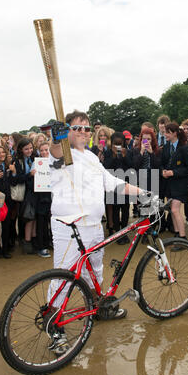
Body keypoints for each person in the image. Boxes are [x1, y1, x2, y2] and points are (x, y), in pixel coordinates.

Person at [47, 110, 146, 323]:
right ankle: (53, 325)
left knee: (95, 270)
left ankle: (98, 307)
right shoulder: (65, 152)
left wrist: (144, 193)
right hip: (69, 227)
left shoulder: (91, 156)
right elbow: (56, 152)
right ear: (68, 132)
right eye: (77, 128)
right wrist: (57, 138)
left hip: (93, 225)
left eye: (87, 128)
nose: (83, 132)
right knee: (63, 277)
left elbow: (112, 183)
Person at [160, 122, 188, 240]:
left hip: (181, 184)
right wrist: (163, 171)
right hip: (169, 184)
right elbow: (162, 163)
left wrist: (174, 172)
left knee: (175, 210)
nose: (165, 135)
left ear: (175, 133)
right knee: (172, 210)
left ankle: (183, 237)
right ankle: (177, 234)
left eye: (167, 132)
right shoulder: (165, 147)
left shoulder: (184, 148)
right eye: (164, 132)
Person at [103, 132, 132, 244]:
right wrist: (114, 156)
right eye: (116, 144)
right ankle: (117, 233)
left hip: (125, 183)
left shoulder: (128, 152)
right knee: (115, 209)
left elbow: (131, 165)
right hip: (113, 185)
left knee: (125, 209)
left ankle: (124, 231)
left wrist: (124, 156)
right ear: (112, 143)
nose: (118, 146)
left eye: (120, 144)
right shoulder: (108, 153)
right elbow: (106, 167)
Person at [10, 138, 37, 254]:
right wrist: (29, 175)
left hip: (33, 192)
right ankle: (25, 242)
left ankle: (30, 241)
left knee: (32, 217)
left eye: (31, 148)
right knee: (27, 217)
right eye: (26, 149)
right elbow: (16, 180)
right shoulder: (17, 161)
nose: (29, 150)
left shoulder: (33, 158)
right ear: (21, 149)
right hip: (24, 194)